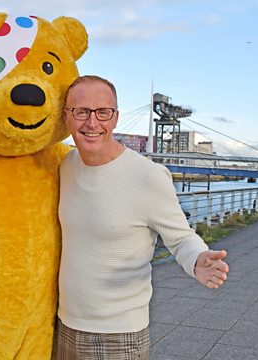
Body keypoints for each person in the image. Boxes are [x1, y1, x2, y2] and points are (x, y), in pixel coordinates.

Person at [54, 75, 229, 359]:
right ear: (66, 116)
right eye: (81, 111)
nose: (92, 122)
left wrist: (198, 259)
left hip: (117, 335)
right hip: (64, 325)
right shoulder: (65, 165)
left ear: (115, 117)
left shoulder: (147, 176)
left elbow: (181, 237)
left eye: (103, 112)